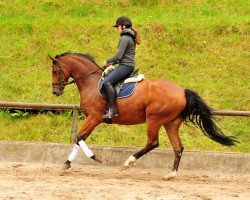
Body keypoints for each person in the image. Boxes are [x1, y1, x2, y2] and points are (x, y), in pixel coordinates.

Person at [102, 16, 141, 119]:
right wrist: (113, 63)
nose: (117, 29)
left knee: (107, 82)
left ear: (123, 26)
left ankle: (113, 109)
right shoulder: (130, 37)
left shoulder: (124, 38)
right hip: (127, 64)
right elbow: (124, 56)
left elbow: (119, 56)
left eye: (117, 26)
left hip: (126, 66)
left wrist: (108, 61)